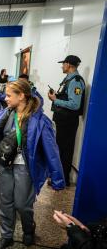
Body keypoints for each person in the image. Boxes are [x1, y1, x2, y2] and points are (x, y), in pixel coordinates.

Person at [0, 80, 65, 248]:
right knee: (5, 201)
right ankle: (6, 236)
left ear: (21, 96)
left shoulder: (40, 120)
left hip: (25, 166)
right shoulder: (5, 114)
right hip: (5, 164)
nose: (5, 98)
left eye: (8, 95)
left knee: (22, 203)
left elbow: (52, 151)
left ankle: (28, 229)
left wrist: (57, 178)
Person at [48, 55, 85, 187]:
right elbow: (67, 98)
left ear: (69, 65)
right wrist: (56, 96)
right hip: (63, 120)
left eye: (63, 63)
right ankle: (59, 177)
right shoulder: (67, 80)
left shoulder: (76, 81)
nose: (62, 66)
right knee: (61, 149)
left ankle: (63, 180)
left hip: (68, 121)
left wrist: (55, 100)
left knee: (65, 150)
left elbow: (75, 104)